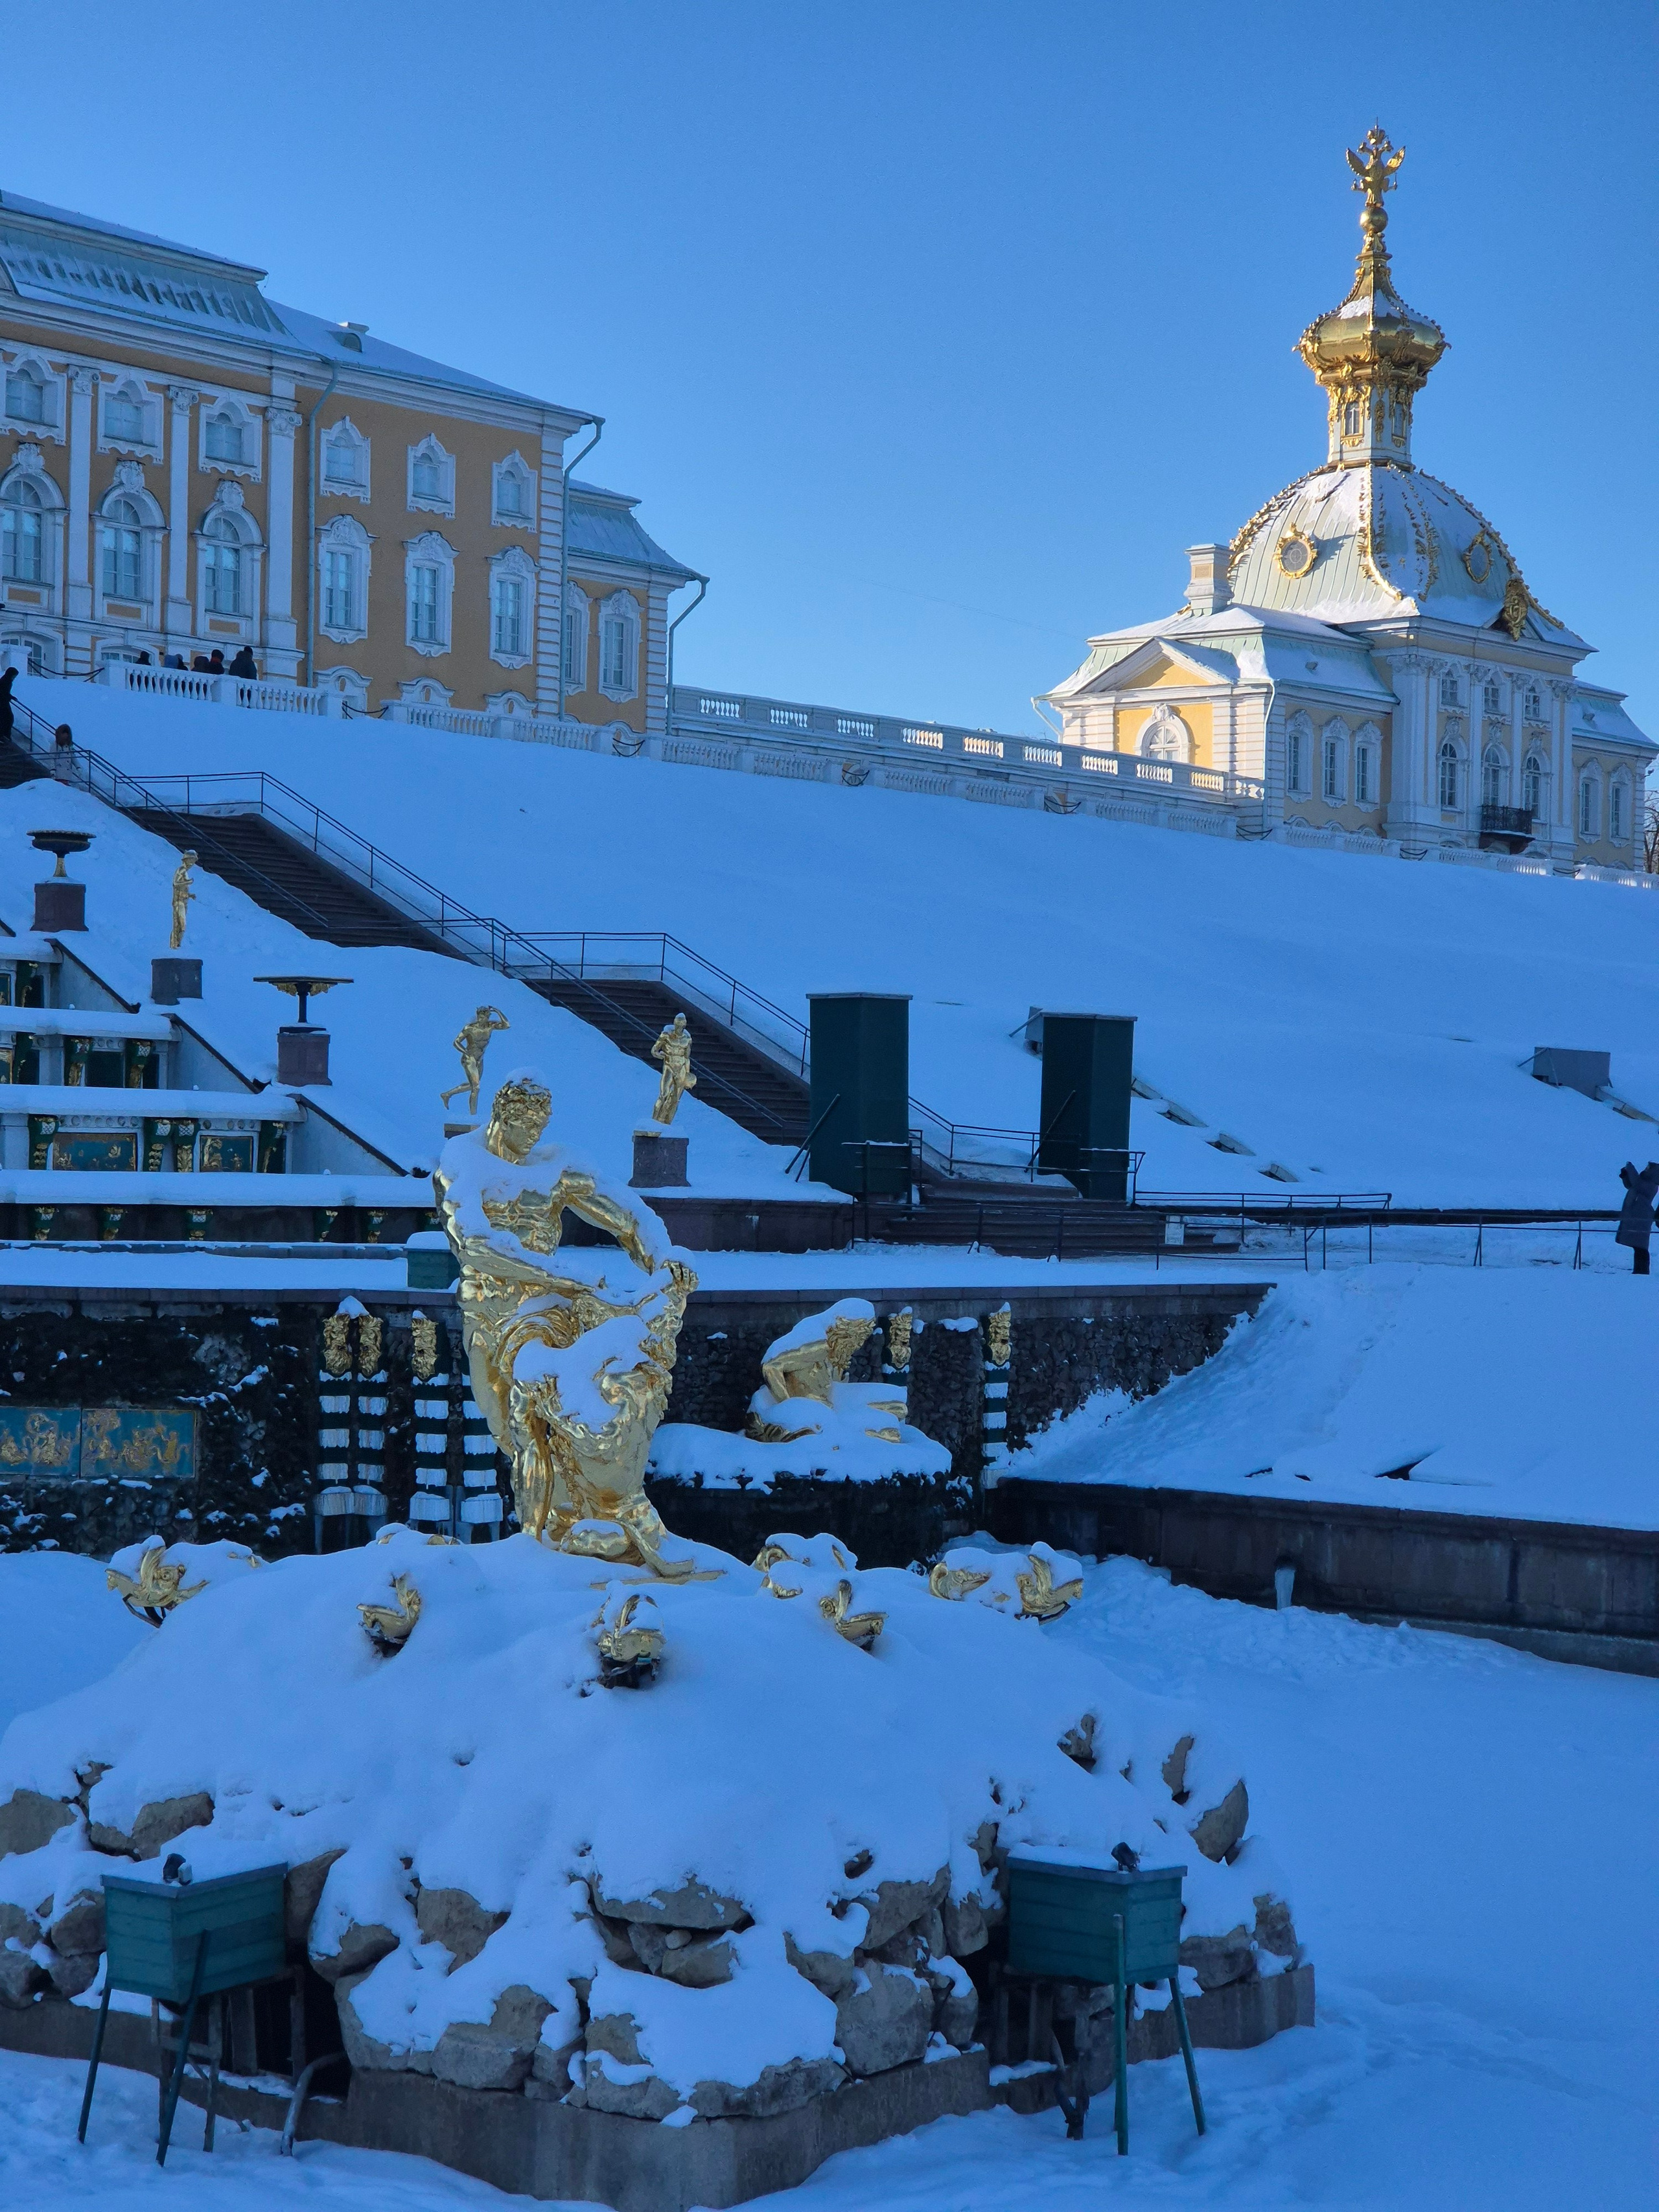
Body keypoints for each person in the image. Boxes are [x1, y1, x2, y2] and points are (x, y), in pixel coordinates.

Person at [1616, 1161, 1659, 1275]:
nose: (1646, 1169)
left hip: (1640, 1216)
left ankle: (1642, 1272)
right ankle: (1640, 1271)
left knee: (1641, 1248)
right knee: (1639, 1247)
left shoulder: (1651, 1184)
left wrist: (1630, 1168)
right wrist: (1625, 1176)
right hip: (1638, 1215)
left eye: (1649, 1168)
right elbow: (1632, 1185)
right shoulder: (1647, 1183)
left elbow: (1636, 1184)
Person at [0, 664, 16, 747]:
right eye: (14, 676)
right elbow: (3, 692)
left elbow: (5, 692)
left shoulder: (6, 681)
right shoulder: (5, 681)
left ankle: (5, 735)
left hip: (4, 701)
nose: (14, 678)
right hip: (2, 703)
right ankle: (4, 736)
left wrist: (11, 697)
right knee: (7, 718)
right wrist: (10, 697)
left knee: (8, 718)